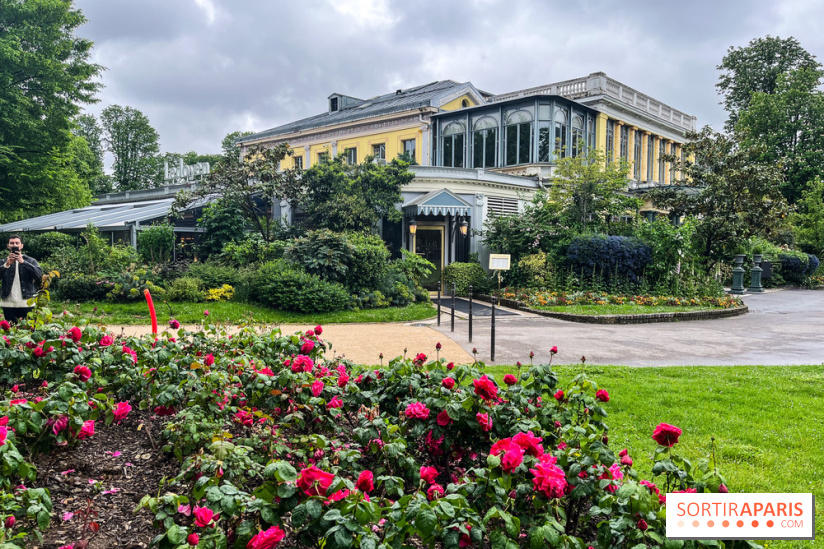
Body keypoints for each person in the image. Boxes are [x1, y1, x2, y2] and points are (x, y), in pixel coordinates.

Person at [1, 234, 43, 324]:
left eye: (17, 243)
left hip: (26, 302)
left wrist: (23, 262)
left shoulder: (31, 261)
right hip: (8, 302)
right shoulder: (3, 262)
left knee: (27, 328)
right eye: (12, 243)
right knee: (10, 330)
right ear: (8, 246)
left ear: (21, 245)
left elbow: (38, 275)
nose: (14, 245)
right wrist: (6, 265)